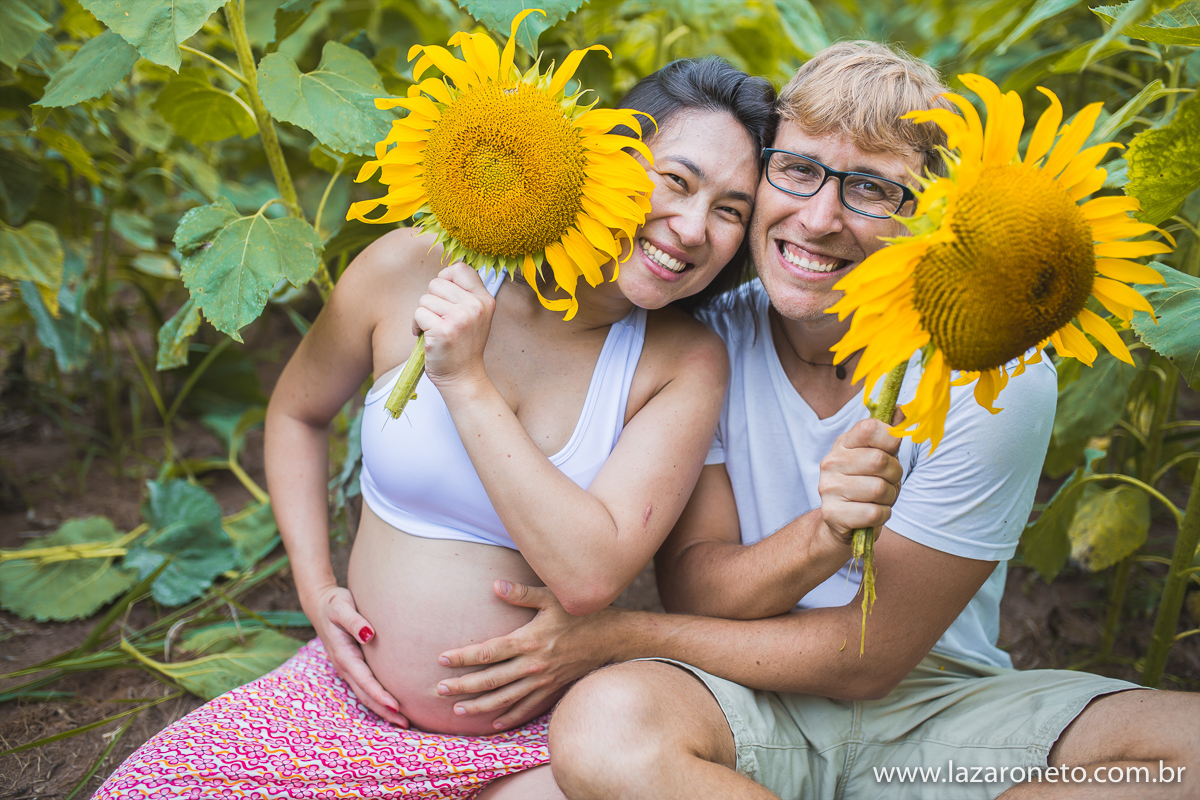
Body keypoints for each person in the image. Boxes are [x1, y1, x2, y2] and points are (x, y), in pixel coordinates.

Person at [432, 42, 1200, 799]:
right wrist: (825, 534)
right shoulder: (711, 340)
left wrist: (618, 635)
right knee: (606, 729)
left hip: (937, 710)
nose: (820, 217)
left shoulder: (992, 374)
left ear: (930, 215)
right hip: (736, 697)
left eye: (872, 188)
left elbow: (872, 658)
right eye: (798, 170)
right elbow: (698, 585)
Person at [93, 57, 776, 800]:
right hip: (346, 706)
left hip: (538, 744)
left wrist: (465, 381)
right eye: (675, 181)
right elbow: (297, 414)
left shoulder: (682, 361)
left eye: (730, 211)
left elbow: (591, 575)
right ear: (610, 158)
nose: (692, 228)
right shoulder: (412, 267)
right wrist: (316, 590)